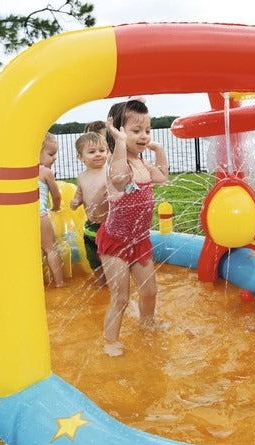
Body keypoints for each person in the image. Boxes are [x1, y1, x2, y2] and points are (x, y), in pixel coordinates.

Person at [96, 98, 169, 356]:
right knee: (121, 298)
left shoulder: (142, 164)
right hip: (115, 242)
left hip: (139, 239)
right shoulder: (118, 164)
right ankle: (110, 340)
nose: (143, 136)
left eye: (147, 130)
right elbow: (119, 180)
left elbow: (163, 176)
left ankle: (147, 322)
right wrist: (116, 142)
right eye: (136, 131)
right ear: (118, 130)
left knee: (150, 291)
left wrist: (158, 148)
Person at [70, 132, 109, 286]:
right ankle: (101, 285)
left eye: (102, 150)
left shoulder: (109, 172)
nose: (98, 154)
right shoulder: (82, 177)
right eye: (92, 152)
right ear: (80, 157)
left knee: (110, 258)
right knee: (93, 259)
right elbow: (80, 194)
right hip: (91, 226)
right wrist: (76, 201)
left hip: (109, 225)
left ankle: (114, 284)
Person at [39, 132, 65, 287]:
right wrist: (55, 207)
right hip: (40, 216)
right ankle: (59, 283)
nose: (54, 158)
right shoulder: (46, 172)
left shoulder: (23, 172)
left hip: (23, 217)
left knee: (37, 251)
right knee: (51, 248)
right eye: (51, 154)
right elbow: (56, 196)